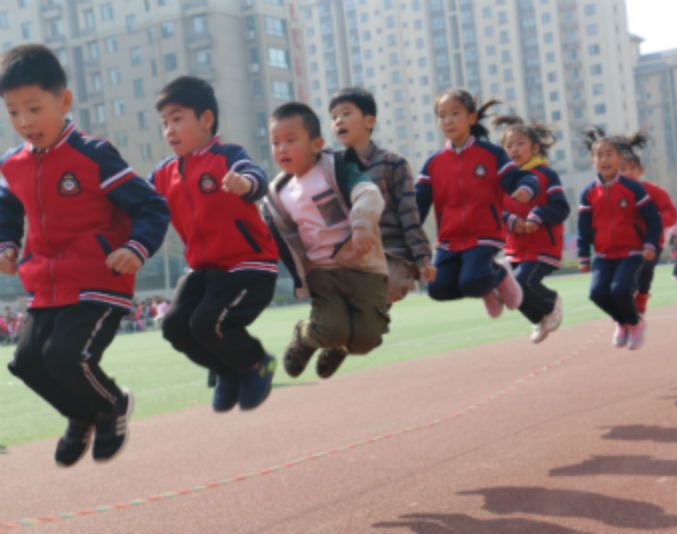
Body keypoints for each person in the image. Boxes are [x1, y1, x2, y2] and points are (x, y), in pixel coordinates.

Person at [0, 44, 169, 466]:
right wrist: (6, 244)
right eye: (13, 112)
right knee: (27, 364)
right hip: (46, 285)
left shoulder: (93, 155)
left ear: (64, 101)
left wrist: (136, 247)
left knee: (65, 357)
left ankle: (112, 405)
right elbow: (7, 211)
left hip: (98, 279)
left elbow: (151, 206)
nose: (25, 122)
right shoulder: (13, 165)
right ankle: (80, 416)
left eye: (34, 109)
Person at [151, 76, 278, 412]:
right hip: (205, 270)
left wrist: (245, 183)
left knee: (207, 323)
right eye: (165, 123)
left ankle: (256, 362)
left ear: (206, 119)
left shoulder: (226, 156)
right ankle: (226, 371)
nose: (169, 131)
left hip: (248, 265)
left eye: (177, 119)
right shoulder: (164, 174)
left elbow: (256, 176)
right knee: (175, 326)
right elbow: (139, 202)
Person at [264, 102, 389, 380]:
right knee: (330, 329)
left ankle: (338, 348)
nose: (282, 149)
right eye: (275, 142)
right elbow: (276, 237)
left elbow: (368, 193)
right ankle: (305, 336)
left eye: (290, 140)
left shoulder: (337, 167)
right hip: (322, 272)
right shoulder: (277, 194)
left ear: (317, 144)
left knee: (365, 340)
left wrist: (361, 224)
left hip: (363, 267)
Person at [416, 90, 539, 319]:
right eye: (442, 115)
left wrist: (526, 188)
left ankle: (498, 273)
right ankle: (486, 285)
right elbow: (417, 205)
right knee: (437, 289)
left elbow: (520, 177)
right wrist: (403, 231)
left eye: (455, 114)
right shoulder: (433, 163)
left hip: (484, 235)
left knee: (472, 282)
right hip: (449, 240)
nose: (448, 120)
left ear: (471, 118)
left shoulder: (492, 154)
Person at [328, 87, 436, 305]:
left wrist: (423, 259)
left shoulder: (393, 163)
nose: (339, 121)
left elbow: (409, 215)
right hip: (352, 257)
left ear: (369, 121)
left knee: (376, 291)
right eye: (334, 117)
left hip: (392, 254)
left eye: (346, 113)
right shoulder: (330, 168)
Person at [577, 128, 662, 350]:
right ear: (593, 161)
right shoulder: (588, 193)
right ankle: (622, 321)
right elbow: (583, 229)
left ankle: (634, 323)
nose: (604, 159)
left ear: (619, 158)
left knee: (620, 290)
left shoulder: (633, 188)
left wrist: (650, 244)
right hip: (604, 255)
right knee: (597, 294)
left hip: (631, 253)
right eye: (599, 155)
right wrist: (583, 256)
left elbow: (653, 219)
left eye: (609, 154)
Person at [493, 114, 569, 343]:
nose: (514, 149)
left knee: (522, 282)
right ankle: (538, 318)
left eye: (520, 143)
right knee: (506, 288)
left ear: (535, 148)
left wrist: (537, 216)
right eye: (509, 145)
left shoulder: (546, 175)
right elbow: (496, 212)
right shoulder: (503, 182)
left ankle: (550, 301)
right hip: (515, 249)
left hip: (543, 247)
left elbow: (561, 208)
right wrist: (510, 220)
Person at [618, 139, 677, 315]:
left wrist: (653, 221)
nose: (628, 172)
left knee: (644, 269)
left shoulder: (654, 191)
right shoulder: (613, 194)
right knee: (628, 277)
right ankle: (628, 309)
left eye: (632, 168)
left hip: (651, 242)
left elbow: (672, 214)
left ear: (641, 171)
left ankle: (642, 296)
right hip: (625, 245)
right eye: (623, 169)